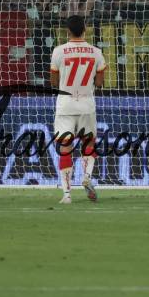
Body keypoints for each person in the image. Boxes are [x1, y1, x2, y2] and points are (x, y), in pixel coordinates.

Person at [50, 15, 106, 204]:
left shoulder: (58, 51)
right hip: (86, 104)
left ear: (68, 31)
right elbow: (99, 82)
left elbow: (54, 82)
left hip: (65, 104)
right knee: (88, 144)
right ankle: (87, 176)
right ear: (85, 30)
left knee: (65, 148)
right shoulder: (96, 52)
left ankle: (66, 194)